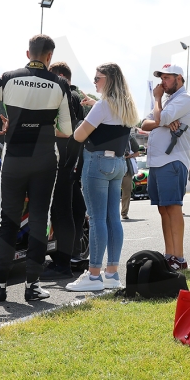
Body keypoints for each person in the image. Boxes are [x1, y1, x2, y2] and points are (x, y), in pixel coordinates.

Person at [0, 34, 73, 303]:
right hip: (45, 160)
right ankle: (33, 285)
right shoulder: (59, 83)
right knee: (39, 220)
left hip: (13, 158)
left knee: (8, 222)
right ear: (49, 57)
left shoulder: (9, 77)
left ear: (28, 54)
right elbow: (67, 130)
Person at [67, 63, 139, 293]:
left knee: (97, 219)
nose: (95, 81)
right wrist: (94, 107)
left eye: (98, 78)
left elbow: (79, 135)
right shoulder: (128, 105)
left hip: (97, 162)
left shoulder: (103, 105)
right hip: (118, 163)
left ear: (108, 80)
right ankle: (111, 273)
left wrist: (84, 118)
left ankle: (94, 275)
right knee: (112, 219)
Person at [140, 64, 190, 271]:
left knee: (173, 208)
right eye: (161, 78)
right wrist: (162, 121)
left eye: (166, 78)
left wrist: (157, 102)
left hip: (172, 160)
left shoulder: (185, 99)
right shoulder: (168, 101)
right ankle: (169, 255)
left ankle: (179, 257)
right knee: (163, 209)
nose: (162, 83)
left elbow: (158, 118)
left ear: (179, 78)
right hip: (157, 162)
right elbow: (144, 124)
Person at [43, 62, 88, 279]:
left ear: (60, 77)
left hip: (64, 158)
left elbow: (66, 129)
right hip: (73, 159)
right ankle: (74, 255)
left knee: (62, 210)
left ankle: (64, 262)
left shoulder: (68, 95)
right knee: (74, 207)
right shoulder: (76, 96)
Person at [120, 131, 141, 219]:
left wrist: (129, 156)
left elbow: (137, 152)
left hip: (126, 168)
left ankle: (124, 212)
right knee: (111, 192)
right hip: (110, 167)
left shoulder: (129, 136)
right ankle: (110, 214)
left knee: (127, 191)